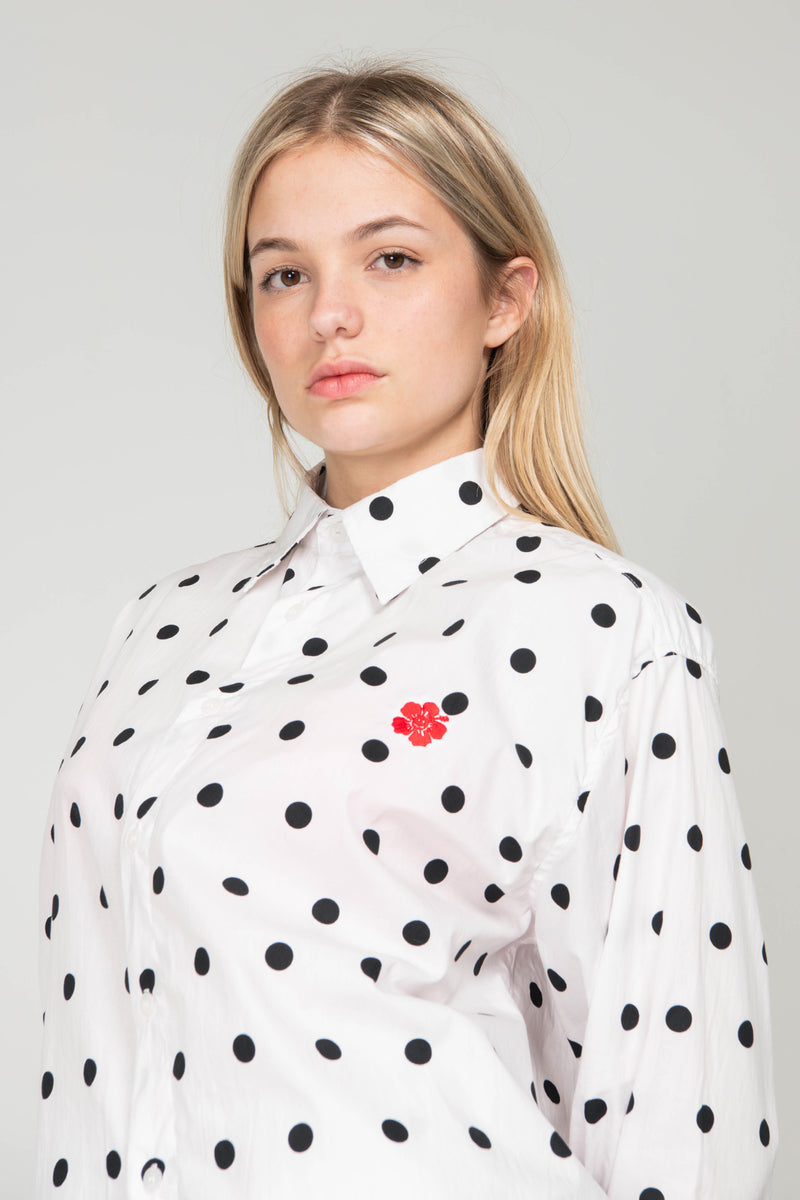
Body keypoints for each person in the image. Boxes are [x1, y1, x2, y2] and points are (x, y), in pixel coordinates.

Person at [35, 55, 778, 1199]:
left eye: (390, 258)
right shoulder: (162, 623)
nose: (330, 314)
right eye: (282, 275)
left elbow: (682, 1118)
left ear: (504, 298)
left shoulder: (605, 631)